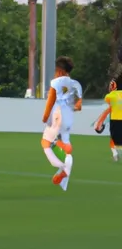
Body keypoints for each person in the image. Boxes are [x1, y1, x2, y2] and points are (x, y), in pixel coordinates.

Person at [41, 56, 82, 191]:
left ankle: (63, 166)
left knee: (46, 143)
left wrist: (45, 117)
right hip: (68, 117)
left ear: (59, 70)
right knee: (65, 146)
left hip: (57, 116)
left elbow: (50, 101)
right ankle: (64, 158)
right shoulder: (76, 84)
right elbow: (79, 106)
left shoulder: (56, 82)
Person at [95, 76, 122, 162]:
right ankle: (115, 154)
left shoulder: (109, 96)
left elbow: (109, 106)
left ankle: (115, 154)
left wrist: (100, 121)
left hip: (115, 119)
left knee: (113, 139)